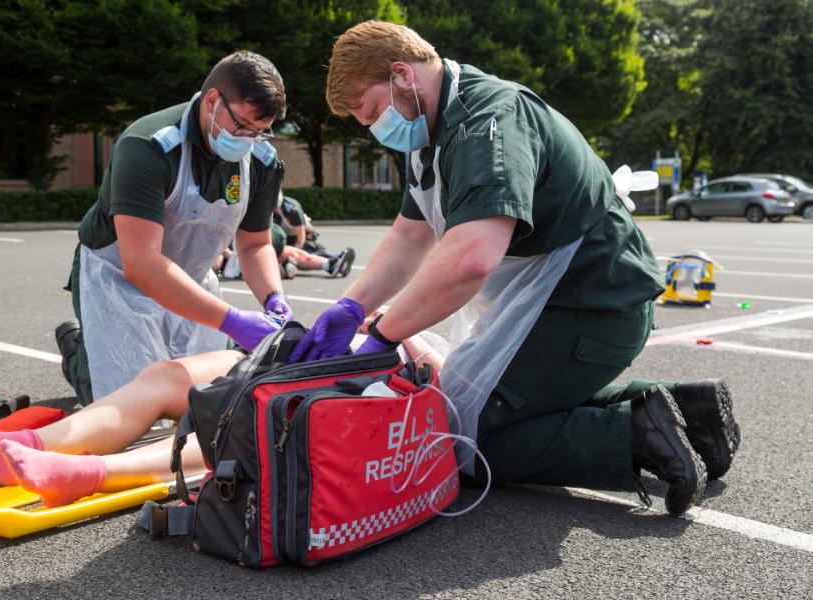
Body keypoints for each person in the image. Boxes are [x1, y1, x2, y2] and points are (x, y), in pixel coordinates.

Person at [292, 21, 741, 517]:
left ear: (403, 75)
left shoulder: (487, 123)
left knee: (458, 442)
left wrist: (383, 334)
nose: (372, 129)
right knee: (483, 403)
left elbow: (470, 259)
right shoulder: (436, 133)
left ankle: (631, 434)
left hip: (592, 305)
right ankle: (685, 406)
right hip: (567, 305)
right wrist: (352, 304)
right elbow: (409, 236)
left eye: (371, 111)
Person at [0, 322, 443, 508]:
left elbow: (442, 381)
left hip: (372, 378)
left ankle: (85, 474)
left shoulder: (503, 297)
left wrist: (395, 332)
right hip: (322, 352)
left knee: (248, 424)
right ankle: (36, 446)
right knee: (167, 376)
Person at [56, 51, 294, 407]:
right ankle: (78, 348)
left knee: (200, 403)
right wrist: (231, 321)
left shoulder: (260, 161)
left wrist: (275, 299)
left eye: (260, 132)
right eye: (242, 125)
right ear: (213, 100)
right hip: (119, 277)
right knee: (129, 406)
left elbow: (255, 243)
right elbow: (141, 262)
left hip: (192, 278)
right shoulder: (149, 147)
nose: (248, 139)